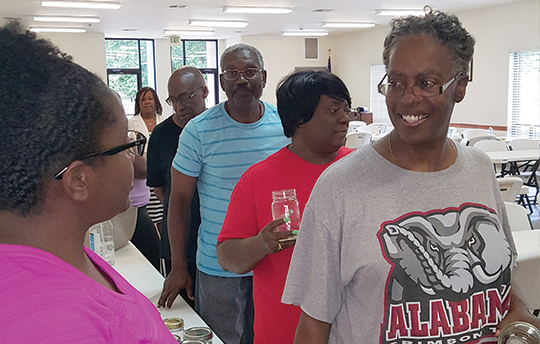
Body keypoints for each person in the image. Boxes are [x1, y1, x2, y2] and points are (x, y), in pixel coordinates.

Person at [282, 8, 540, 344]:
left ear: (460, 85)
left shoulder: (479, 169)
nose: (407, 98)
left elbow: (504, 277)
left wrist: (520, 315)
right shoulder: (339, 187)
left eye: (427, 83)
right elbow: (314, 325)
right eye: (396, 82)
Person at [0, 23, 177, 343]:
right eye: (125, 145)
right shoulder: (54, 325)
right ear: (79, 180)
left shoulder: (58, 253)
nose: (132, 158)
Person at [158, 43, 290, 343]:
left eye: (249, 71)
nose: (241, 79)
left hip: (274, 265)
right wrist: (179, 266)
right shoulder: (198, 131)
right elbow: (178, 200)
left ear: (264, 77)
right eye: (232, 72)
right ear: (220, 82)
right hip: (218, 269)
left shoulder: (285, 126)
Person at [216, 70, 353, 344]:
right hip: (282, 334)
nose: (345, 118)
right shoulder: (258, 179)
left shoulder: (361, 171)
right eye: (334, 109)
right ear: (299, 119)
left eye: (346, 109)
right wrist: (262, 243)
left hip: (353, 331)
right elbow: (227, 257)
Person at [147, 66, 208, 306]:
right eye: (173, 100)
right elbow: (161, 188)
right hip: (179, 247)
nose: (180, 106)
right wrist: (181, 211)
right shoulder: (161, 135)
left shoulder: (217, 129)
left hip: (217, 245)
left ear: (204, 91)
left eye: (186, 97)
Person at [128, 86, 163, 270]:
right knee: (149, 217)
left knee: (161, 215)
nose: (147, 102)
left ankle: (161, 243)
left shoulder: (163, 121)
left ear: (155, 101)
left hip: (162, 173)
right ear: (138, 104)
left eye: (150, 98)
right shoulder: (132, 124)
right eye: (143, 100)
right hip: (144, 181)